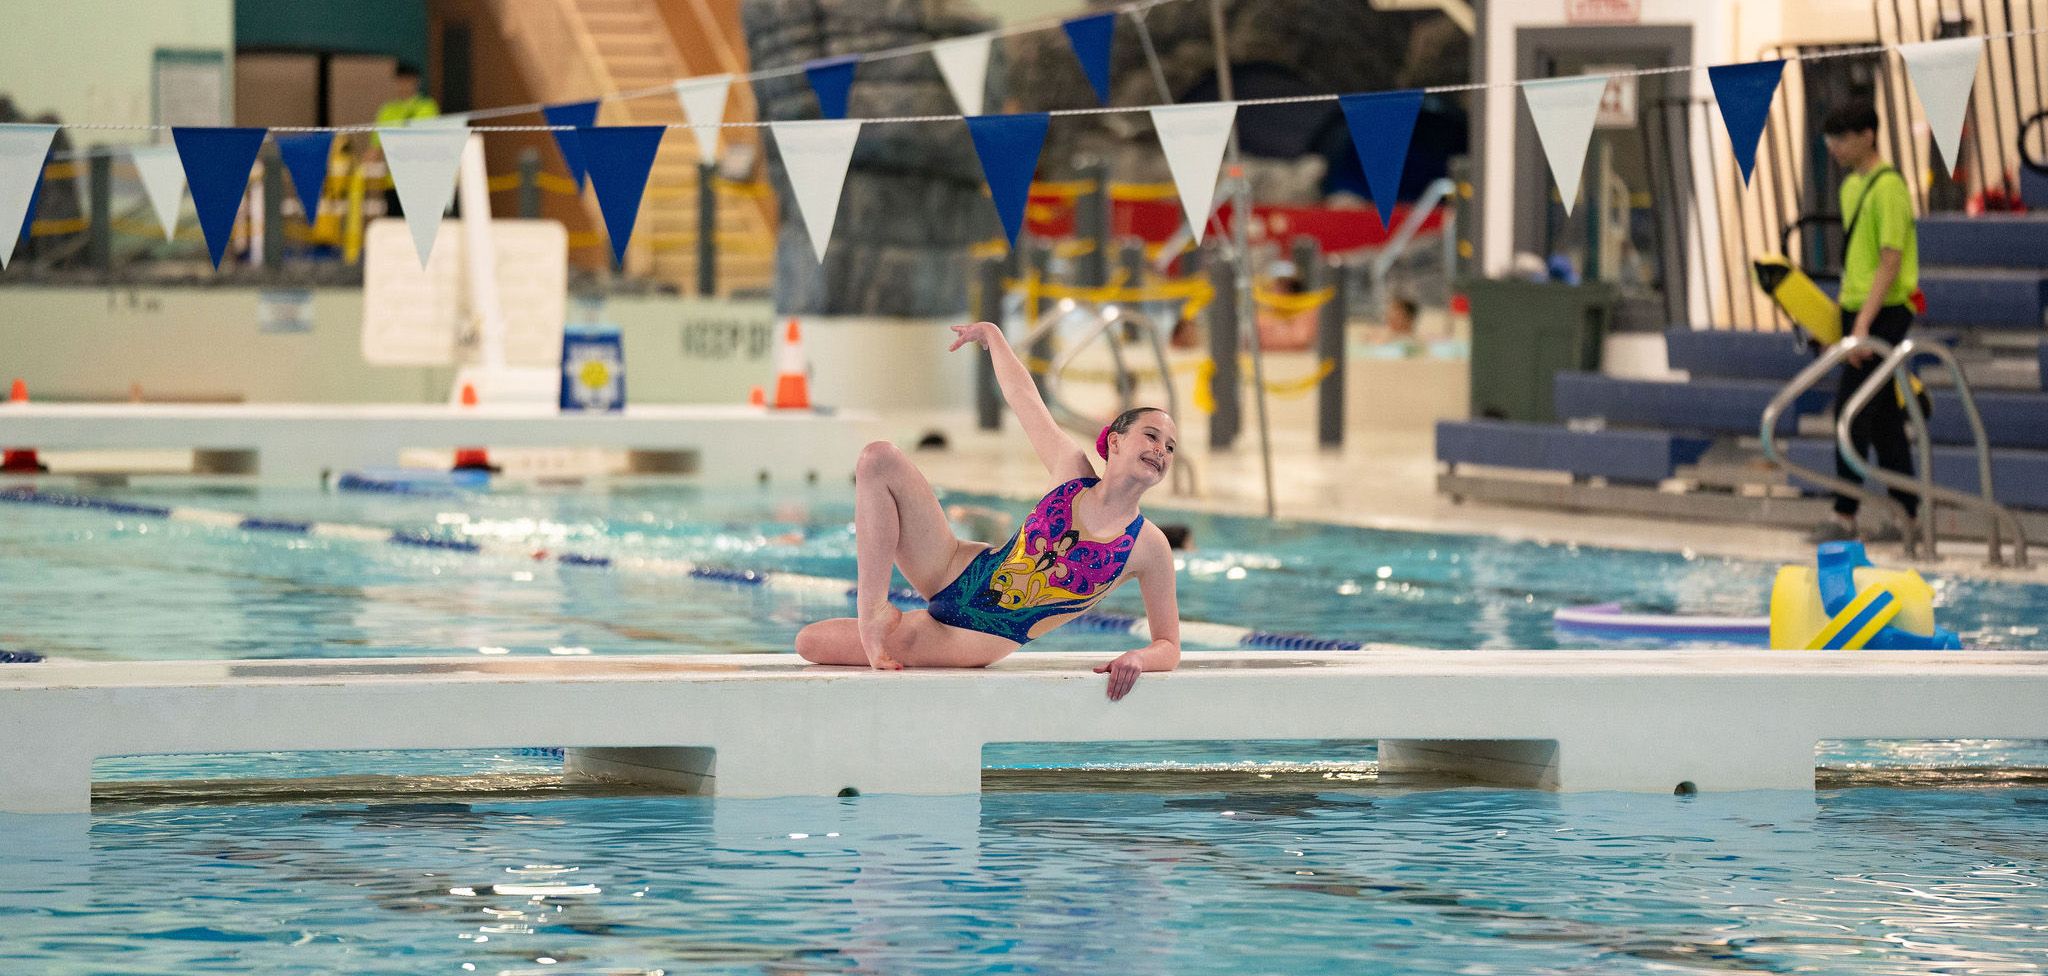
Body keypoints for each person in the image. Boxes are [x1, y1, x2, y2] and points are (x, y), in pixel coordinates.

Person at [795, 321, 1183, 701]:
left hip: (976, 637)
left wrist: (1139, 657)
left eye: (1169, 447)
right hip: (953, 566)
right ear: (1115, 441)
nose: (1160, 451)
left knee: (809, 642)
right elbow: (1025, 399)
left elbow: (1168, 644)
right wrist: (993, 337)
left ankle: (880, 622)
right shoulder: (1071, 470)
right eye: (1151, 436)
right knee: (877, 458)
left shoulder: (1149, 546)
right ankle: (873, 609)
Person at [1812, 98, 1920, 544]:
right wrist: (1839, 324)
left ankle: (1844, 515)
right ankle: (1907, 513)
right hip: (1857, 310)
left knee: (1850, 413)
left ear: (1867, 136)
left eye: (1840, 139)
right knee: (1880, 420)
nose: (1833, 148)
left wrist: (1862, 328)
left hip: (1887, 311)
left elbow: (1890, 261)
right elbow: (1854, 264)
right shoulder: (1851, 187)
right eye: (1829, 140)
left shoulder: (1890, 187)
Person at [368, 65, 440, 217]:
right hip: (392, 182)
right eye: (400, 80)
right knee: (395, 227)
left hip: (420, 182)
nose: (404, 85)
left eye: (408, 80)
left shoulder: (427, 107)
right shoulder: (387, 110)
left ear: (416, 82)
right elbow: (375, 148)